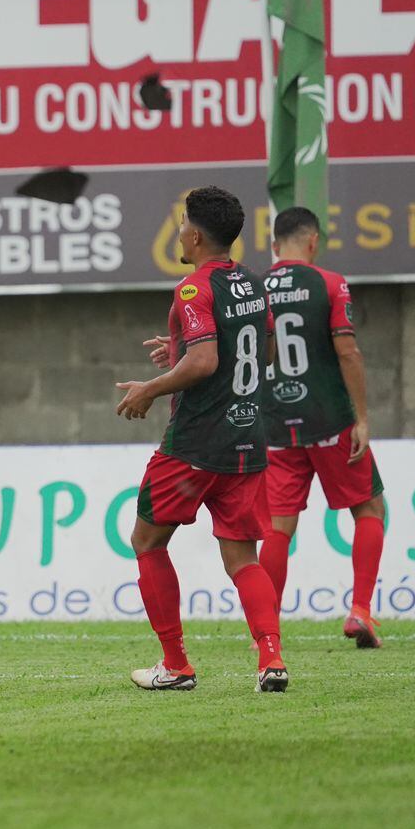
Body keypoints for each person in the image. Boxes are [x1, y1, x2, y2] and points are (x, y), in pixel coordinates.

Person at [116, 185, 288, 693]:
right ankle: (271, 661)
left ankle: (176, 665)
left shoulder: (194, 288)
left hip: (194, 445)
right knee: (242, 558)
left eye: (181, 224)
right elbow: (264, 350)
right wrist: (181, 350)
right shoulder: (254, 285)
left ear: (193, 233)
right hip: (247, 442)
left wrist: (151, 386)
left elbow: (206, 360)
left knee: (147, 540)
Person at [257, 207, 386, 648]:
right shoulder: (330, 283)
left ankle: (265, 631)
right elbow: (348, 352)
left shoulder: (256, 290)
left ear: (275, 246)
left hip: (275, 424)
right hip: (330, 420)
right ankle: (361, 611)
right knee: (369, 509)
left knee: (277, 527)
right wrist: (363, 418)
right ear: (313, 242)